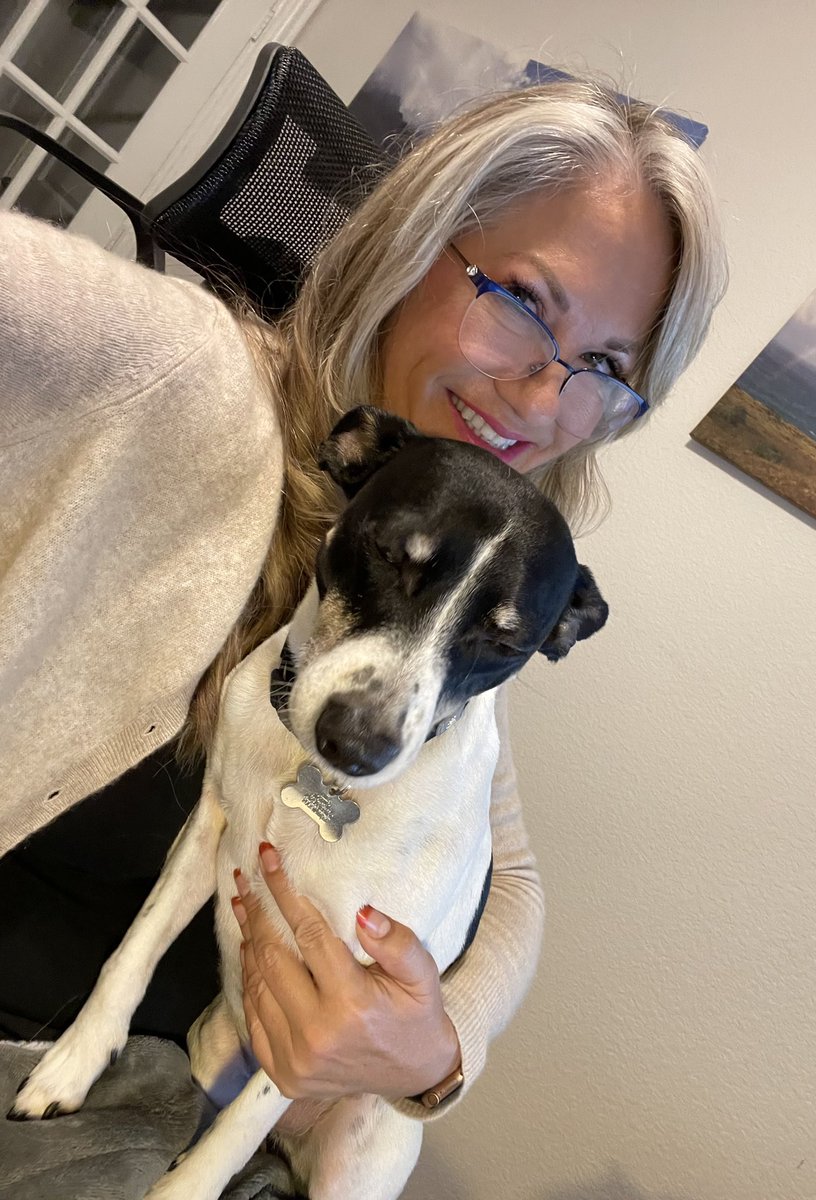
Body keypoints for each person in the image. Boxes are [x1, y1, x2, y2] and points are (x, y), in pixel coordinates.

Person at [0, 76, 726, 1130]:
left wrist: (437, 1050)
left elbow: (511, 873)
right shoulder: (188, 386)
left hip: (169, 1097)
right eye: (523, 301)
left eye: (605, 365)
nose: (543, 399)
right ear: (407, 240)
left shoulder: (469, 587)